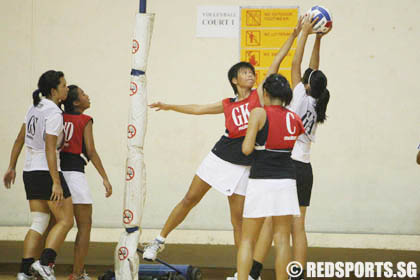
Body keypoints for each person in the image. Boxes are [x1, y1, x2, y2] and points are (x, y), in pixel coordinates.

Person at [142, 20, 303, 264]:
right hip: (219, 157)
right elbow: (198, 109)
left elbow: (275, 64)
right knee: (190, 199)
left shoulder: (260, 96)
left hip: (244, 164)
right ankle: (158, 241)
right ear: (234, 80)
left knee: (238, 221)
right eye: (245, 72)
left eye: (251, 72)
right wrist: (169, 106)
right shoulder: (227, 103)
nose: (251, 75)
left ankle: (243, 272)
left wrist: (292, 37)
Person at [249, 15, 332, 280]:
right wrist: (319, 39)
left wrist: (305, 33)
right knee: (299, 227)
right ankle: (296, 274)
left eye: (306, 78)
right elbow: (312, 69)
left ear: (306, 85)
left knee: (274, 225)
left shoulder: (298, 96)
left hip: (288, 166)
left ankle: (253, 272)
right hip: (306, 169)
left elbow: (297, 63)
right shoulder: (317, 102)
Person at [3, 70, 74, 280]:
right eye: (63, 85)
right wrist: (56, 182)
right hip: (46, 171)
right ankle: (45, 263)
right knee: (66, 221)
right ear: (54, 90)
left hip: (29, 171)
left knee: (39, 221)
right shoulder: (54, 113)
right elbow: (50, 149)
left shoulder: (33, 107)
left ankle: (24, 272)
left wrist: (11, 166)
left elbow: (19, 140)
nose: (67, 89)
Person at [237, 73, 305, 280]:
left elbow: (247, 149)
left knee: (248, 239)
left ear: (265, 93)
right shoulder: (293, 117)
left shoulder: (258, 113)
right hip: (286, 181)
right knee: (283, 239)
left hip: (261, 180)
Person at [61, 85, 113, 280]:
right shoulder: (85, 120)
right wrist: (105, 178)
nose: (87, 95)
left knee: (52, 225)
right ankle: (77, 273)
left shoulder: (59, 117)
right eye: (83, 94)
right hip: (74, 175)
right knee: (84, 225)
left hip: (56, 174)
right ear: (75, 102)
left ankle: (41, 266)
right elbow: (90, 151)